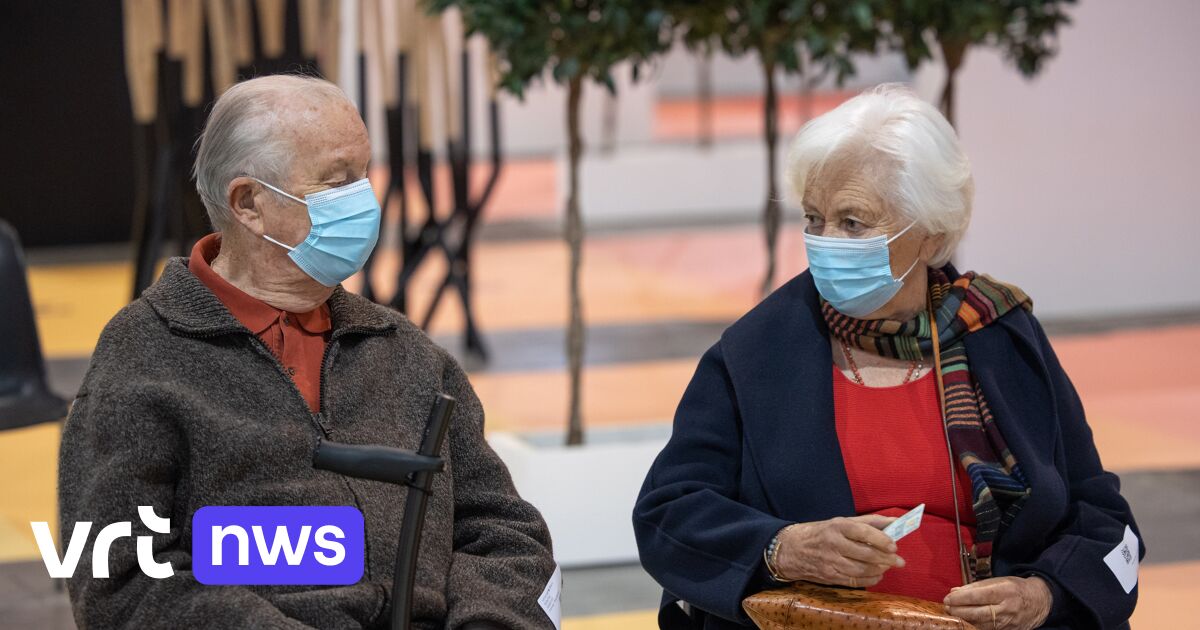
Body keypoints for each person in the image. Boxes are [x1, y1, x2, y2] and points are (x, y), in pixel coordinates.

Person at [633, 84, 1143, 630]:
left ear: (930, 234)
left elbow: (1102, 517)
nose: (826, 241)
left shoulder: (1001, 335)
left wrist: (1043, 594)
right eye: (813, 219)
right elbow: (668, 513)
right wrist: (782, 547)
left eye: (853, 222)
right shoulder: (756, 351)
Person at [59, 75, 557, 629]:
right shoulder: (145, 357)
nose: (363, 202)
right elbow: (118, 580)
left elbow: (506, 533)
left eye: (363, 176)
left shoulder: (409, 355)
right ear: (249, 204)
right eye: (336, 182)